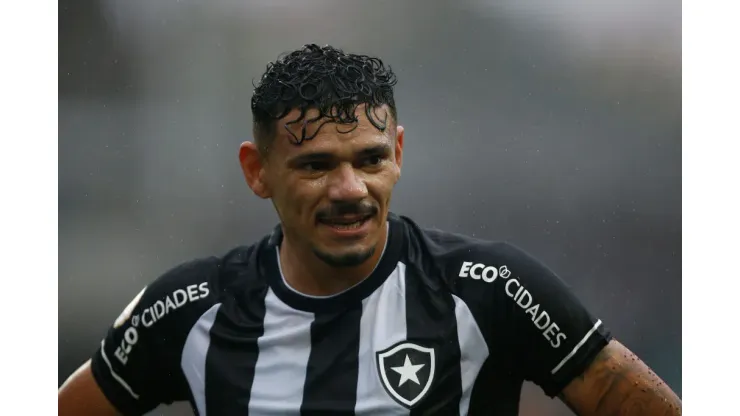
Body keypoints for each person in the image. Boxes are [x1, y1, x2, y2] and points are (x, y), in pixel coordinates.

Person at [58, 44, 681, 416]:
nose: (351, 189)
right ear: (257, 171)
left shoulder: (490, 288)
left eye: (370, 159)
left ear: (399, 154)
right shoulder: (192, 309)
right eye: (315, 165)